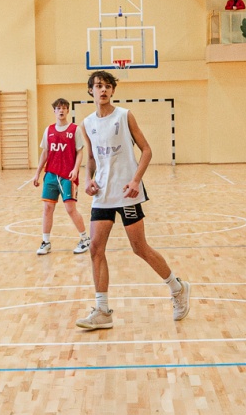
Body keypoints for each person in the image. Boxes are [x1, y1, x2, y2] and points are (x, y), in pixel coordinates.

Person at [73, 70, 189, 330]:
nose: (103, 90)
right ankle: (102, 311)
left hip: (127, 192)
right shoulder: (87, 123)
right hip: (102, 194)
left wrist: (136, 180)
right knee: (95, 249)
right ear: (91, 90)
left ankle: (177, 288)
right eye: (98, 86)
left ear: (113, 90)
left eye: (107, 86)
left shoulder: (124, 116)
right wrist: (88, 179)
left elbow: (147, 150)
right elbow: (90, 158)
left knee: (140, 248)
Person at [31, 96, 90, 256]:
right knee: (47, 208)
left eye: (64, 108)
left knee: (70, 208)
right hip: (51, 174)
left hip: (67, 175)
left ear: (68, 110)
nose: (61, 110)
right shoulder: (49, 130)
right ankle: (45, 242)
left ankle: (85, 239)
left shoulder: (75, 130)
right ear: (54, 111)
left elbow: (79, 151)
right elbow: (45, 152)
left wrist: (76, 169)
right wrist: (37, 173)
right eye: (58, 108)